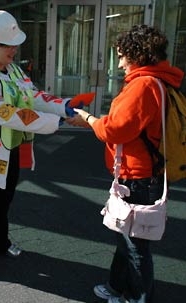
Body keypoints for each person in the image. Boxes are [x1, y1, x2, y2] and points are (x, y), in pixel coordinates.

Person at [0, 10, 84, 281]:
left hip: (6, 148)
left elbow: (33, 95)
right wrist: (54, 122)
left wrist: (64, 106)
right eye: (6, 44)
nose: (14, 49)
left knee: (3, 200)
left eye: (15, 44)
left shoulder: (13, 69)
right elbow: (1, 112)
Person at [67, 25, 184, 303]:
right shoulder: (159, 81)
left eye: (122, 56)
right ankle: (117, 286)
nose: (119, 64)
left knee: (134, 247)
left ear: (136, 54)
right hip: (145, 174)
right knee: (126, 238)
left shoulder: (143, 85)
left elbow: (115, 130)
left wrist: (88, 119)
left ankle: (138, 297)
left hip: (137, 178)